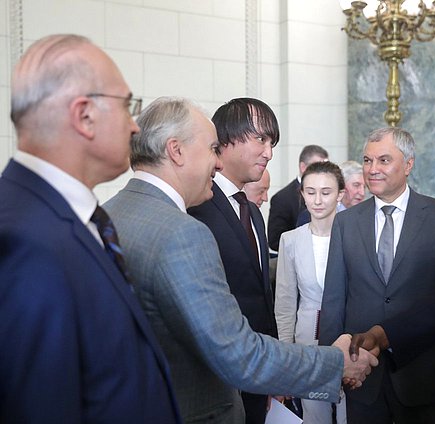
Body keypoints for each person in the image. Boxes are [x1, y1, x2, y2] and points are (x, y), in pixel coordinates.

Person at [104, 97, 378, 424]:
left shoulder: (108, 214)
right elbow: (236, 352)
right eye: (211, 149)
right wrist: (335, 364)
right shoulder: (183, 231)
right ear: (176, 151)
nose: (217, 163)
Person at [0, 34, 181, 422]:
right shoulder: (26, 243)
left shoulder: (61, 217)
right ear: (83, 115)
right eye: (127, 105)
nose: (135, 125)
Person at [319, 127, 435, 424]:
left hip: (422, 372)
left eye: (383, 160)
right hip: (361, 372)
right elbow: (334, 297)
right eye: (368, 161)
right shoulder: (346, 222)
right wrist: (333, 365)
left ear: (408, 164)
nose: (372, 169)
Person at [187, 98, 279, 423]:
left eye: (272, 143)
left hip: (257, 373)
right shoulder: (196, 206)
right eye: (261, 139)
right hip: (217, 378)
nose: (269, 153)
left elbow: (260, 295)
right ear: (226, 140)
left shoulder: (253, 211)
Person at [275, 161, 347, 423]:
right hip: (306, 339)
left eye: (326, 192)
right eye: (310, 191)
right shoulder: (290, 240)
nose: (317, 200)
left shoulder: (353, 235)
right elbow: (284, 304)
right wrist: (285, 356)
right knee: (314, 415)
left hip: (348, 337)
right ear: (302, 193)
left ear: (340, 194)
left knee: (349, 412)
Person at [268, 145, 329, 251]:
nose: (323, 173)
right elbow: (275, 240)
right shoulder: (282, 198)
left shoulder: (330, 194)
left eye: (326, 168)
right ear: (303, 167)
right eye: (317, 168)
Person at [296, 159, 365, 227]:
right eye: (356, 185)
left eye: (364, 187)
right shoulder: (305, 219)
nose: (362, 193)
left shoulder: (366, 218)